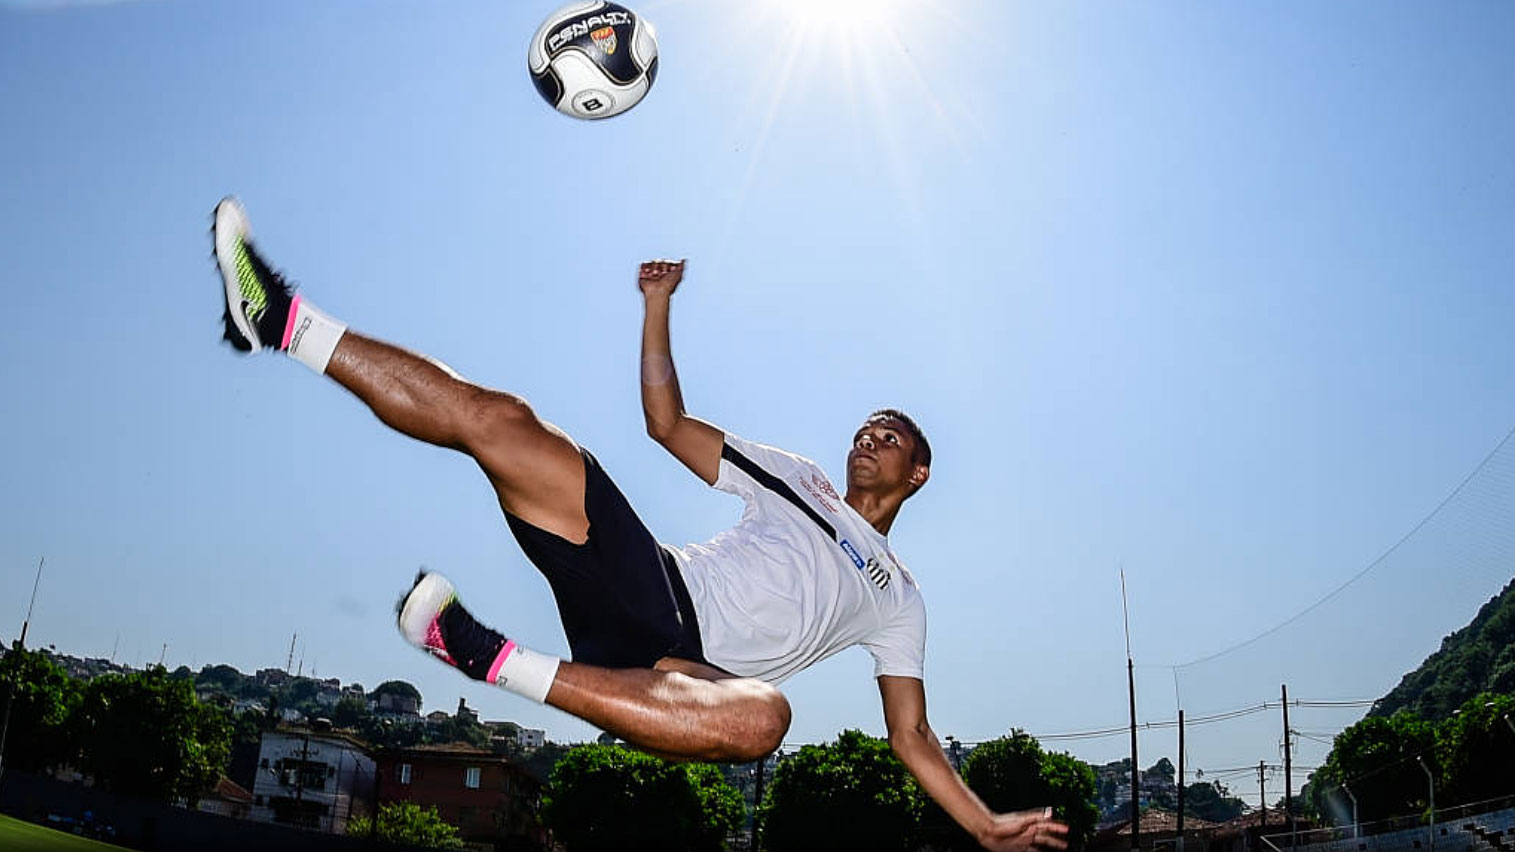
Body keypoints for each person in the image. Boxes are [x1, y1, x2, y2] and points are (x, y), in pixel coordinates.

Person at [210, 197, 1069, 852]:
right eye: (864, 428)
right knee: (504, 419)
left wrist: (986, 828)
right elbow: (667, 424)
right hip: (646, 574)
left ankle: (481, 653)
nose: (869, 438)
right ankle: (281, 321)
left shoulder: (899, 598)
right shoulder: (798, 478)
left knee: (765, 720)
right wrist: (657, 305)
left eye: (891, 438)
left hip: (679, 674)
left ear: (917, 473)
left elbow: (910, 737)